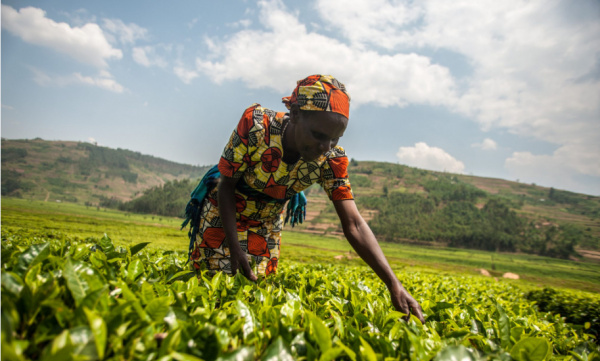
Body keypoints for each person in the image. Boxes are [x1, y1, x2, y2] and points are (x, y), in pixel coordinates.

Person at [184, 75, 424, 322]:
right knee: (212, 289)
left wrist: (393, 283)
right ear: (296, 114)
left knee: (253, 294)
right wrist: (234, 246)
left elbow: (354, 224)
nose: (325, 146)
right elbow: (226, 184)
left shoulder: (331, 160)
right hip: (225, 209)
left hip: (267, 220)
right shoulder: (257, 125)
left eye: (335, 138)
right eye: (319, 135)